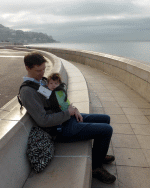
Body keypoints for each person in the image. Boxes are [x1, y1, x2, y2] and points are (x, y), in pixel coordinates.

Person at [20, 52, 116, 184]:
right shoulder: (28, 91)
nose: (42, 73)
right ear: (27, 67)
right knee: (106, 130)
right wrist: (67, 114)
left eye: (43, 69)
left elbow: (58, 100)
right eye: (38, 70)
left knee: (105, 118)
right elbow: (43, 120)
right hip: (59, 129)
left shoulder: (40, 83)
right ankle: (95, 168)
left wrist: (73, 109)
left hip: (65, 119)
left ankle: (99, 155)